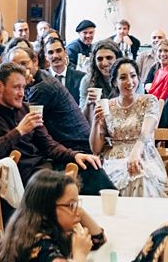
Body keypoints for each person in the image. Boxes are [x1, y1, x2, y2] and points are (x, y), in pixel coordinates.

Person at [8, 46, 116, 195]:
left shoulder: (41, 87)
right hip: (69, 145)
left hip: (75, 149)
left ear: (35, 62)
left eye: (23, 64)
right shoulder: (41, 78)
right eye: (14, 67)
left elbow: (23, 121)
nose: (19, 70)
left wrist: (20, 84)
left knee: (27, 171)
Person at [90, 58, 168, 197]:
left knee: (139, 176)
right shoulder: (107, 105)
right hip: (113, 160)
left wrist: (136, 152)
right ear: (115, 82)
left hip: (143, 153)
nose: (130, 82)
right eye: (123, 77)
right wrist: (95, 123)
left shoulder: (148, 100)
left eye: (133, 76)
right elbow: (96, 149)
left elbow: (146, 132)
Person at [77, 40, 121, 111]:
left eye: (109, 58)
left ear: (118, 59)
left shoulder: (129, 79)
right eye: (99, 59)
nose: (104, 63)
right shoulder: (87, 81)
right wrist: (88, 104)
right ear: (94, 62)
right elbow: (82, 117)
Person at [44, 36, 84, 105]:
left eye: (58, 51)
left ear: (65, 52)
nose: (55, 56)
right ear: (46, 56)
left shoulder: (80, 78)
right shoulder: (41, 79)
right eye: (51, 52)